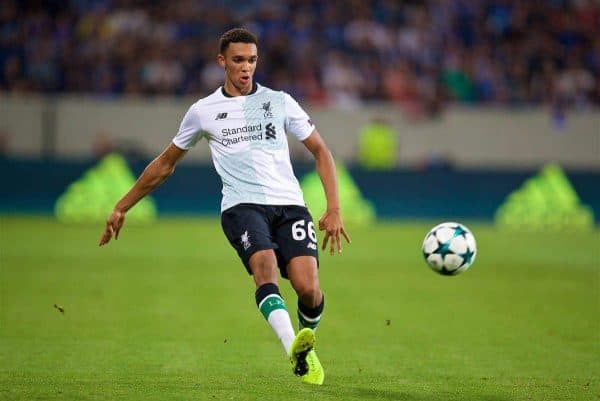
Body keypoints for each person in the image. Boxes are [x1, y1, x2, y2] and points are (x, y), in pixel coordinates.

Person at [98, 28, 351, 386]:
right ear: (222, 62)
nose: (246, 68)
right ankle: (290, 345)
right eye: (238, 60)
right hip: (241, 206)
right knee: (265, 267)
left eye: (251, 60)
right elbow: (165, 163)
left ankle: (305, 347)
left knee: (308, 289)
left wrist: (334, 207)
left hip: (290, 205)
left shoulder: (281, 102)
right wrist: (122, 206)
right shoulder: (203, 111)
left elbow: (321, 151)